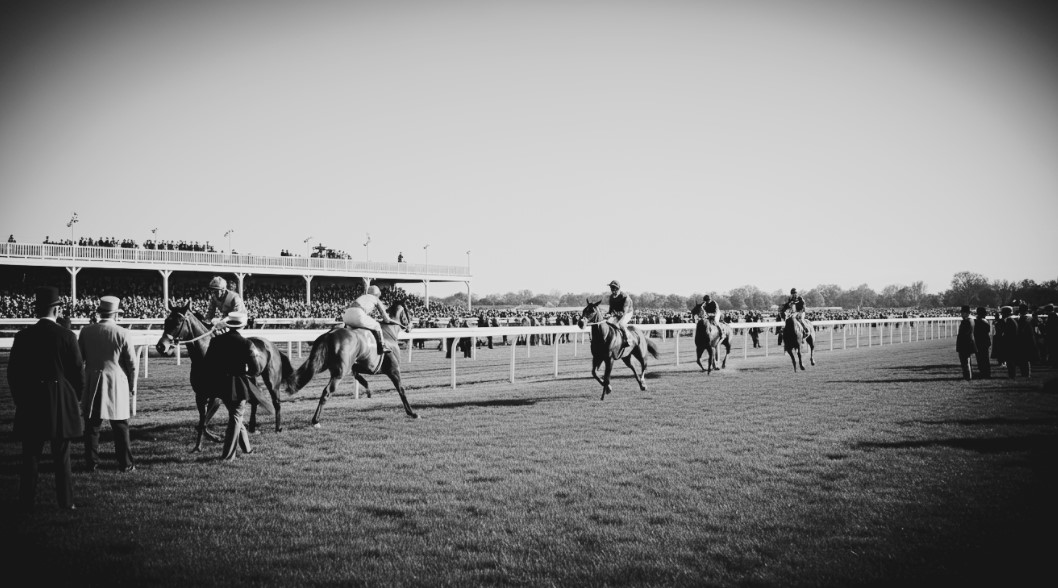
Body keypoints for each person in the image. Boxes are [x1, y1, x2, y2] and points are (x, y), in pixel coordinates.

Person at [7, 286, 84, 511]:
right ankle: (66, 501)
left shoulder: (22, 336)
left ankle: (26, 501)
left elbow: (14, 374)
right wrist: (73, 400)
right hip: (59, 401)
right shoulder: (67, 336)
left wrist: (21, 400)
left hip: (30, 401)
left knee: (30, 455)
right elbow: (77, 373)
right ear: (57, 309)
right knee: (61, 456)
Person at [79, 296, 138, 472]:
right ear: (115, 314)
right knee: (120, 425)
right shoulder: (123, 333)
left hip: (92, 381)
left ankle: (91, 463)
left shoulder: (86, 331)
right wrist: (132, 386)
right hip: (116, 382)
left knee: (92, 426)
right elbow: (132, 364)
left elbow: (79, 359)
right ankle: (126, 463)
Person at [203, 311, 258, 460]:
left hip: (220, 385)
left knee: (236, 416)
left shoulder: (215, 341)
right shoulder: (247, 343)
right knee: (235, 417)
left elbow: (208, 364)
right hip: (238, 385)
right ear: (243, 325)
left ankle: (247, 449)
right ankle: (228, 456)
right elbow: (255, 369)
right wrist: (245, 371)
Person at [342, 285, 399, 355]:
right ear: (377, 294)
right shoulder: (376, 299)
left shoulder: (362, 297)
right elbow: (386, 319)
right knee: (377, 325)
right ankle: (382, 346)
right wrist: (395, 322)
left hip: (346, 316)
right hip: (358, 314)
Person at [606, 280, 633, 349]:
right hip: (618, 313)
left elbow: (624, 312)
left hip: (627, 313)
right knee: (607, 323)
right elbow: (610, 310)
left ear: (617, 288)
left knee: (620, 323)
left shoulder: (625, 297)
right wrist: (608, 315)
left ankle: (628, 339)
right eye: (611, 288)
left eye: (613, 288)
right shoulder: (611, 297)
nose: (612, 290)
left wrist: (613, 315)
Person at [956, 305, 976, 381]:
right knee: (967, 361)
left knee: (965, 361)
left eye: (962, 313)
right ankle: (968, 375)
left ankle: (967, 376)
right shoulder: (971, 320)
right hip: (968, 343)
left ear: (966, 313)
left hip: (965, 343)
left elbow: (963, 334)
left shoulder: (966, 321)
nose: (961, 314)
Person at [973, 306, 992, 379]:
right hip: (985, 342)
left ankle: (984, 373)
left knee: (981, 358)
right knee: (984, 358)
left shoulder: (979, 321)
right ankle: (985, 372)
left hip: (980, 342)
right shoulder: (985, 321)